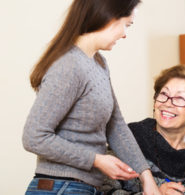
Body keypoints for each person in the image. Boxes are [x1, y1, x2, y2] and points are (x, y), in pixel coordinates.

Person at [22, 0, 160, 194]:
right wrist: (96, 160)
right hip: (62, 187)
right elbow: (33, 137)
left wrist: (146, 178)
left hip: (82, 187)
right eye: (126, 25)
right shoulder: (69, 65)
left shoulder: (99, 63)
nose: (125, 34)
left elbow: (116, 126)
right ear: (108, 17)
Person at [101, 65, 185, 194]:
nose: (167, 103)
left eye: (179, 98)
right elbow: (102, 190)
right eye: (164, 94)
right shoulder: (128, 138)